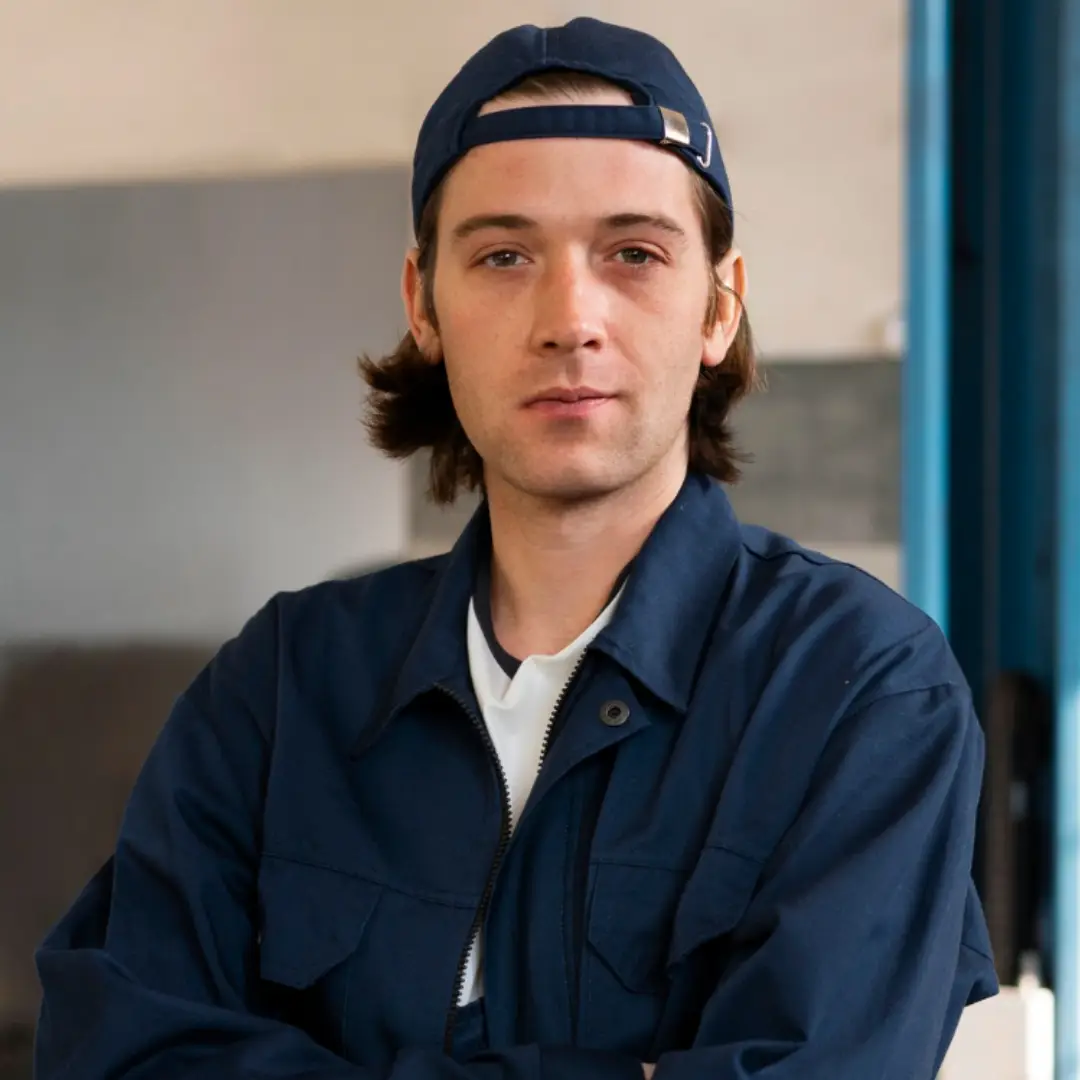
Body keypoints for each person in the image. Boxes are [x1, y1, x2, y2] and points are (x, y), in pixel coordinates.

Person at [34, 17, 998, 1080]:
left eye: (634, 254)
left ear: (720, 308)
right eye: (503, 256)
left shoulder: (859, 687)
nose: (569, 319)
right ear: (424, 306)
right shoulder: (282, 688)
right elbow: (113, 1049)